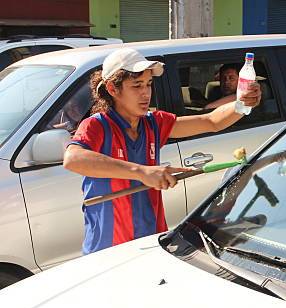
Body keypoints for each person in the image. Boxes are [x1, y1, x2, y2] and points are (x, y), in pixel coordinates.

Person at [63, 48, 261, 254]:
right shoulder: (97, 126)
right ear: (113, 89)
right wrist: (141, 171)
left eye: (148, 84)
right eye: (137, 85)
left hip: (150, 242)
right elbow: (73, 158)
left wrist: (241, 105)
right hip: (108, 250)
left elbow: (210, 121)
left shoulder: (153, 122)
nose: (146, 93)